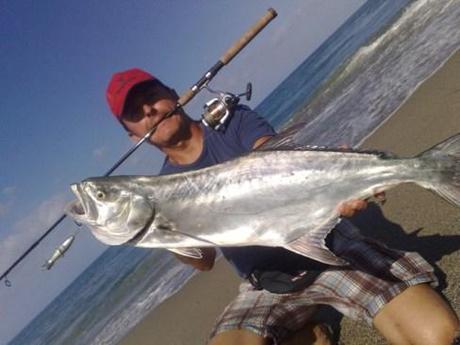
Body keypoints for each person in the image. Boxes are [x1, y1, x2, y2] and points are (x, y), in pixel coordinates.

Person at [106, 68, 459, 345]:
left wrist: (339, 185)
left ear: (171, 94)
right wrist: (163, 230)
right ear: (133, 136)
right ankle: (308, 332)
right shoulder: (160, 187)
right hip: (265, 283)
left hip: (333, 247)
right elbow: (204, 262)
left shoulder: (230, 123)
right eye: (136, 113)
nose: (149, 110)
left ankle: (428, 168)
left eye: (151, 96)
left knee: (438, 337)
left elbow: (275, 154)